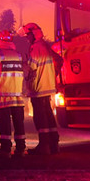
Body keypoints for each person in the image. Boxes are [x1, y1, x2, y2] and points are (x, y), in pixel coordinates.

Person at [0, 10, 27, 158]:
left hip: (3, 97)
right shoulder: (18, 55)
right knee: (19, 124)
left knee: (4, 124)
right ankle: (21, 149)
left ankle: (5, 150)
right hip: (17, 97)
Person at [22, 22, 63, 155]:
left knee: (40, 117)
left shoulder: (35, 47)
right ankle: (53, 144)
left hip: (38, 87)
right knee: (49, 115)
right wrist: (53, 74)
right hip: (48, 86)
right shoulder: (45, 46)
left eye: (28, 35)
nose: (27, 38)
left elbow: (32, 67)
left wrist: (24, 64)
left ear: (34, 34)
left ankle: (44, 146)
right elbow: (59, 60)